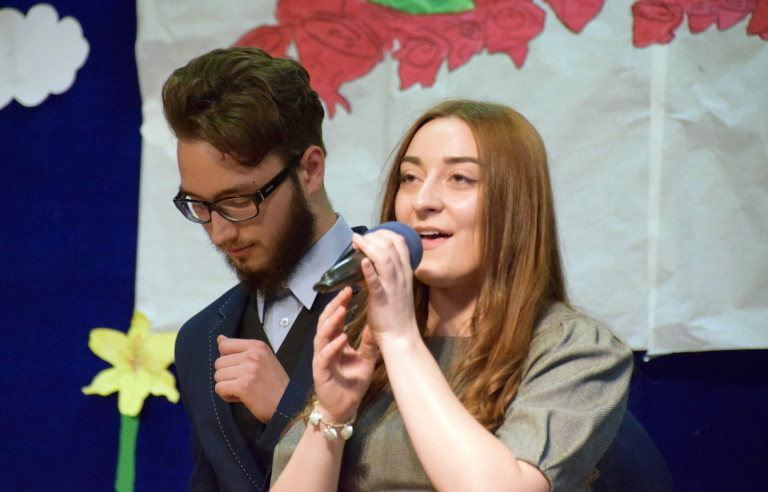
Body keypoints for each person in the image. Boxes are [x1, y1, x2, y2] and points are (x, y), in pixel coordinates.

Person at [270, 100, 634, 491]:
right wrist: (332, 413)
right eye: (410, 177)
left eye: (460, 178)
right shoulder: (365, 340)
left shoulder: (575, 348)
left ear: (516, 205)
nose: (423, 201)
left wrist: (401, 338)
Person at [162, 47, 365, 490]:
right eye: (198, 205)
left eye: (237, 201)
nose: (219, 233)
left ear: (310, 169)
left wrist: (289, 411)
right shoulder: (199, 340)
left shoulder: (404, 299)